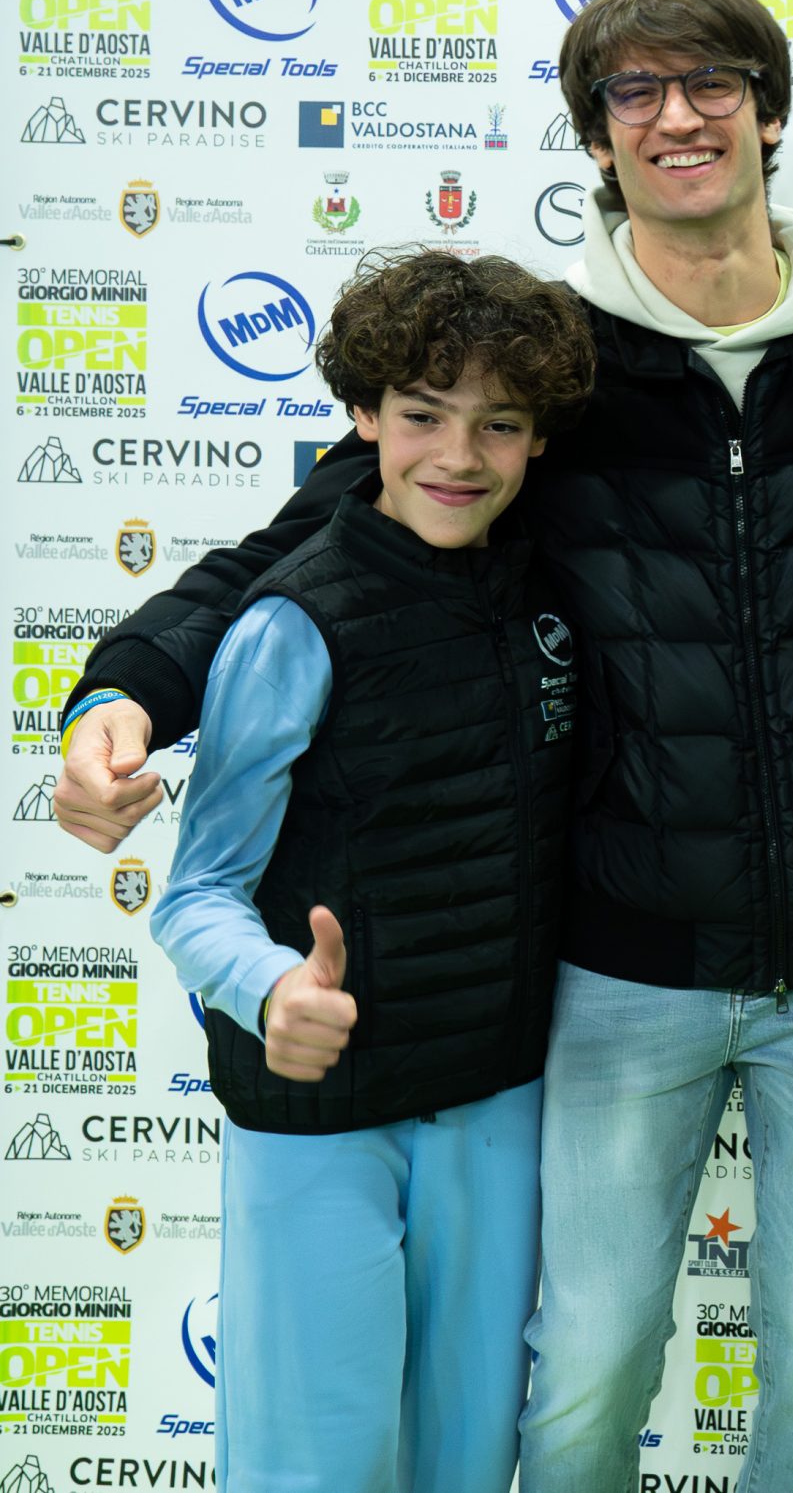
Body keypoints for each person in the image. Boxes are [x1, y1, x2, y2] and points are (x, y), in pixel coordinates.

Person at [52, 0, 793, 1491]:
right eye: (635, 92)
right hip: (620, 959)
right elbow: (296, 550)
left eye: (711, 84)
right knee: (581, 1376)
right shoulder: (546, 366)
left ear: (771, 112)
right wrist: (123, 694)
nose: (677, 117)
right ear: (597, 135)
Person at [143, 247, 594, 1490]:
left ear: (539, 438)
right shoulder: (291, 621)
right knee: (313, 1463)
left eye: (499, 423)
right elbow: (195, 892)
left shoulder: (553, 599)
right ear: (363, 418)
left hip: (494, 1100)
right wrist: (270, 988)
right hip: (320, 1113)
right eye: (422, 415)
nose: (459, 454)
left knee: (466, 1459)